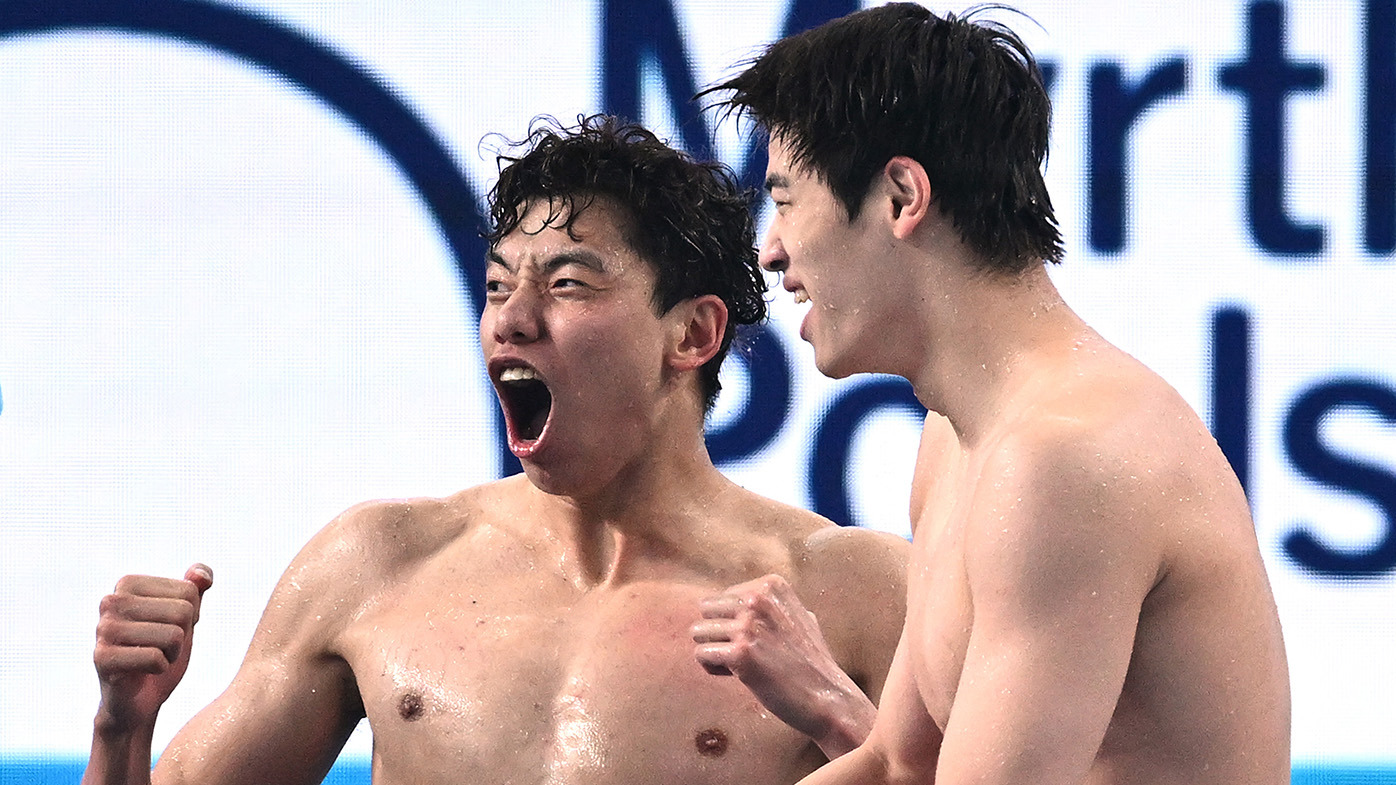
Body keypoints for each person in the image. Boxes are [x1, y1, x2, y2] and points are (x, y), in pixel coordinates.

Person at [83, 115, 909, 785]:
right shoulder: (377, 565)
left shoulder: (854, 596)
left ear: (692, 333)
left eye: (567, 284)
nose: (511, 319)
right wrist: (122, 726)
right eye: (497, 286)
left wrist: (845, 721)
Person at [701, 4, 1291, 784]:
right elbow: (894, 764)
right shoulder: (955, 438)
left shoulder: (1063, 459)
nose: (770, 250)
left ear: (902, 197)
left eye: (783, 202)